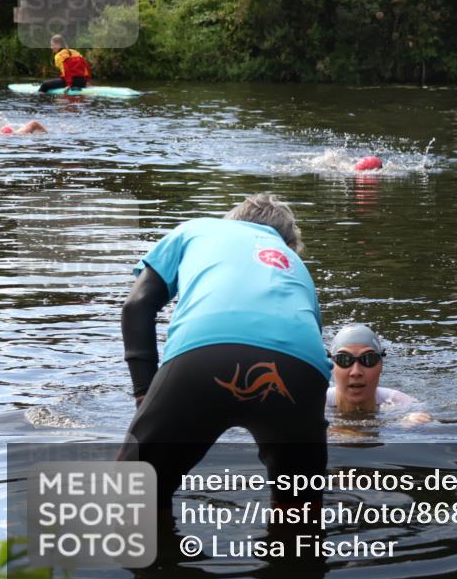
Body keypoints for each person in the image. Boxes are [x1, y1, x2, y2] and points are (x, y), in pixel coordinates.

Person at [118, 193, 332, 507]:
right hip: (299, 367)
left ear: (230, 222)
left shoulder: (197, 229)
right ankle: (296, 554)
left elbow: (136, 306)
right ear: (287, 244)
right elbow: (310, 338)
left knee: (132, 492)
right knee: (299, 507)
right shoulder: (296, 265)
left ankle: (154, 552)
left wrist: (144, 392)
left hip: (204, 356)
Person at [327, 323, 430, 425]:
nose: (356, 372)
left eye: (368, 359)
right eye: (344, 360)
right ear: (331, 366)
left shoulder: (400, 403)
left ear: (381, 365)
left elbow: (423, 417)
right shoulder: (315, 404)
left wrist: (414, 422)